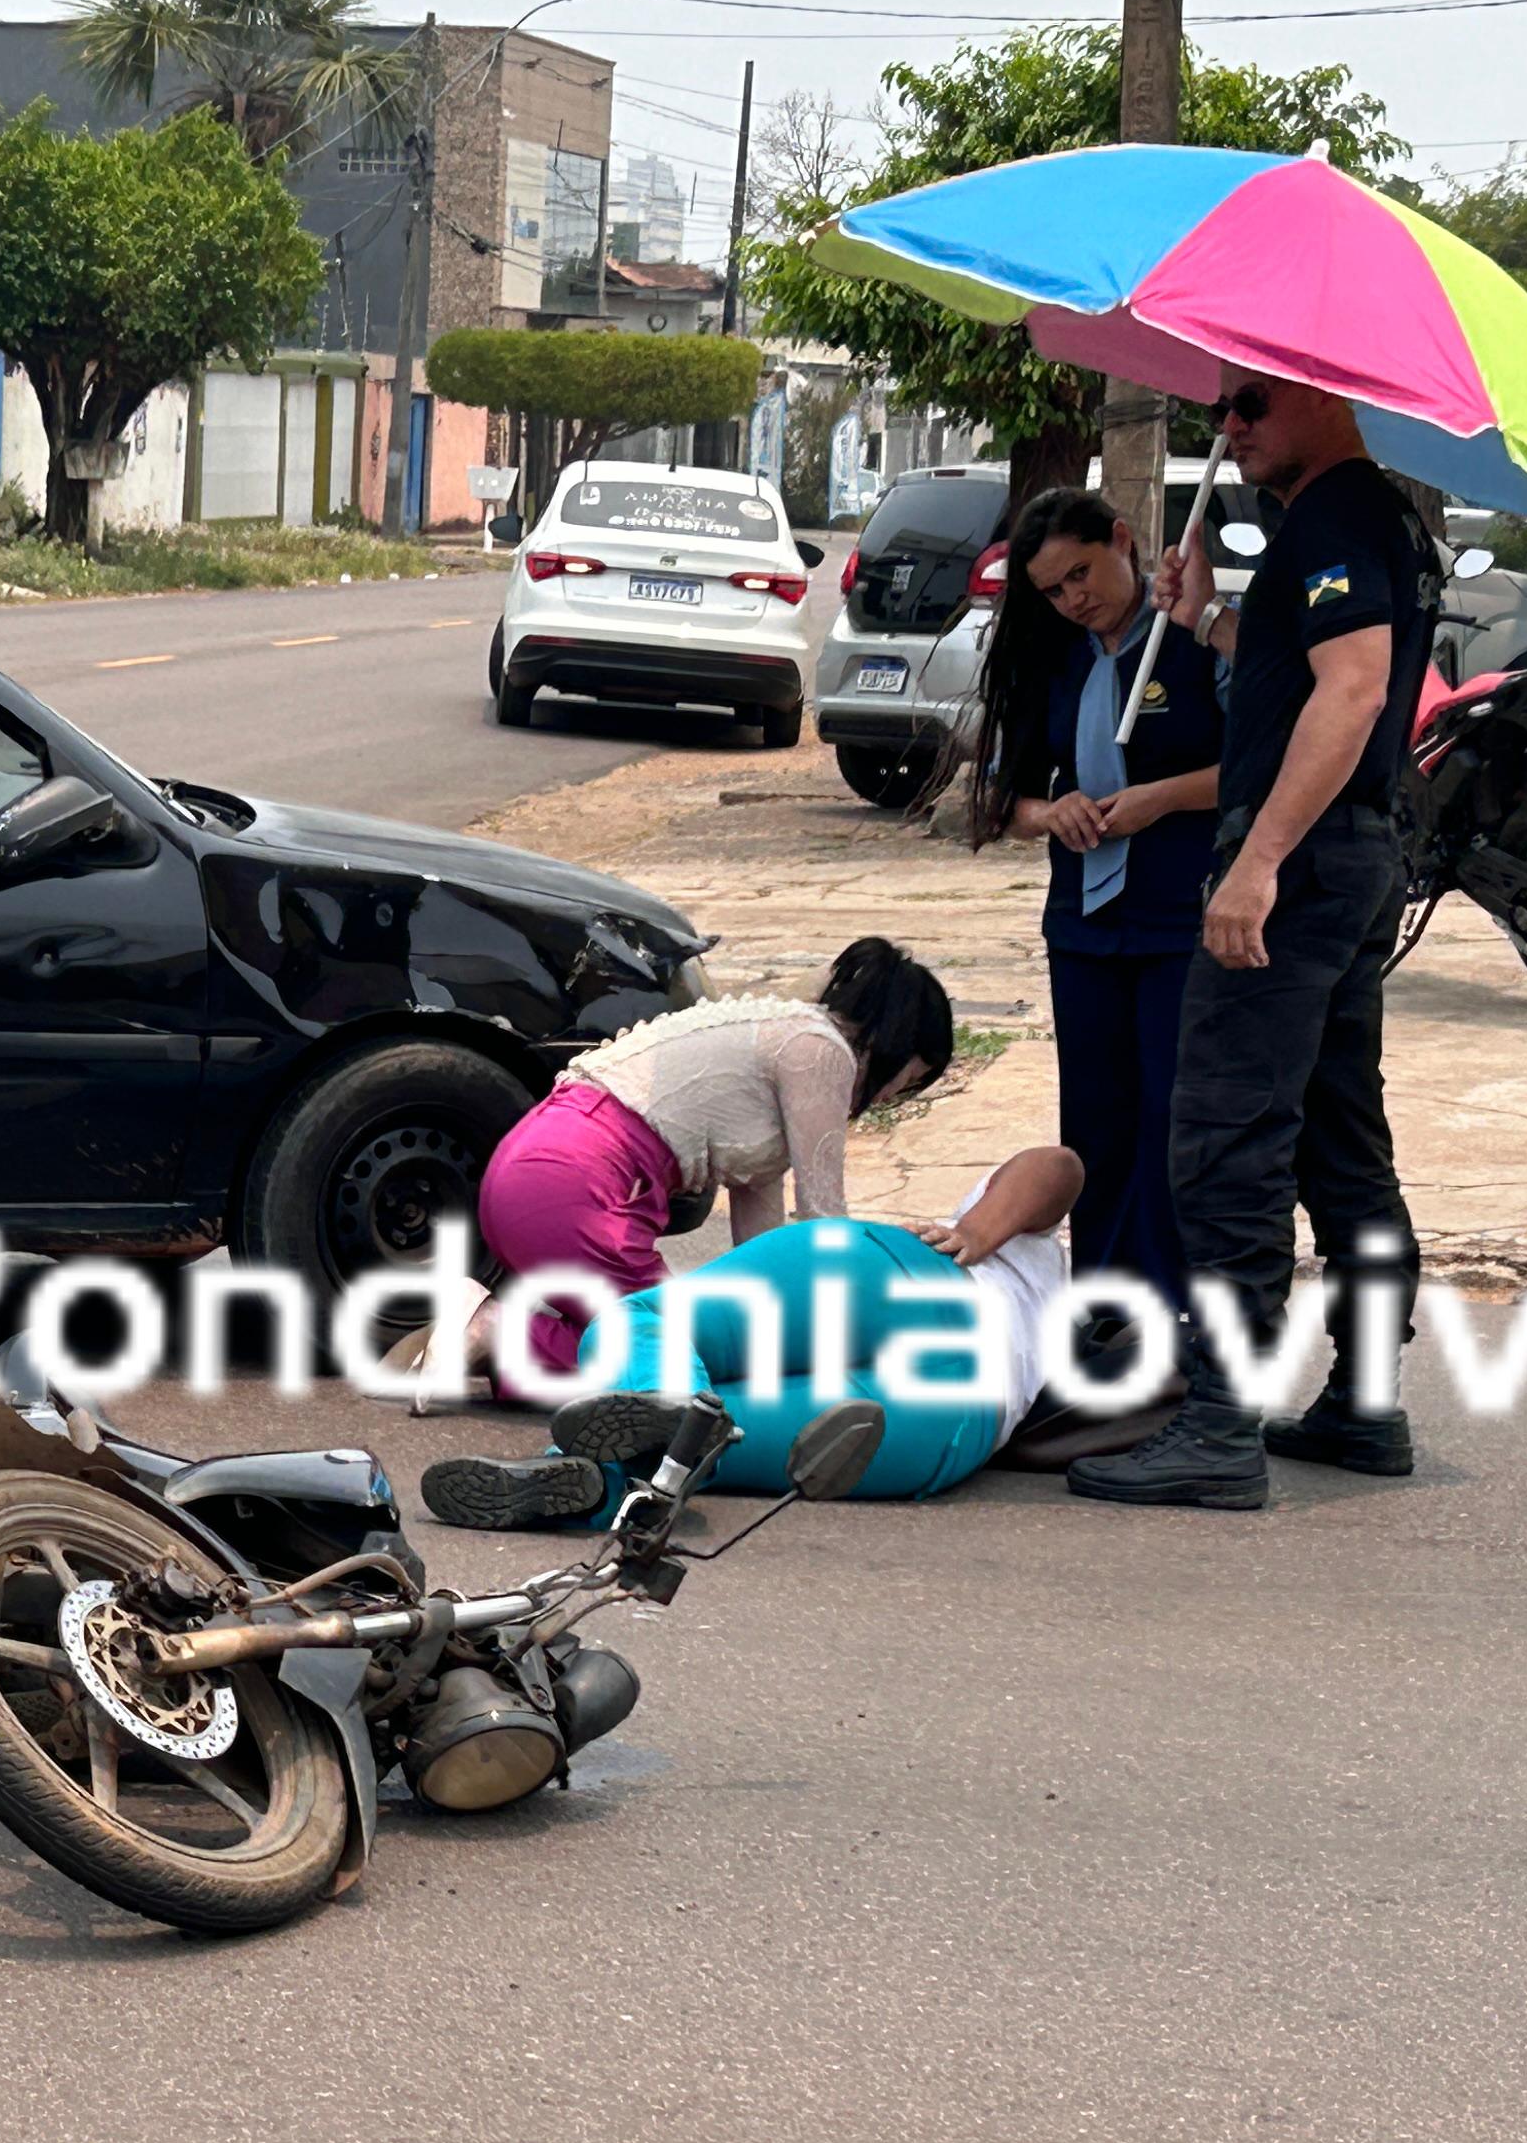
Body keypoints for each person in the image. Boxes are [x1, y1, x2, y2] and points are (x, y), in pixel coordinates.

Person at [1067, 374, 1431, 1512]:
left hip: (1305, 867)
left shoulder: (1336, 515)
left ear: (1327, 398)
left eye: (1254, 405)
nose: (1230, 426)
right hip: (1353, 860)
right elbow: (1302, 669)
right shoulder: (1371, 521)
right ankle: (1364, 1403)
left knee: (1226, 1133)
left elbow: (1354, 689)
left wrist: (1260, 860)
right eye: (1225, 406)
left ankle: (1218, 1423)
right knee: (1336, 1129)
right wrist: (1211, 619)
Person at [420, 1146, 1085, 1526]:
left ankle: (606, 1455)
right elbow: (1059, 1167)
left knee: (637, 1330)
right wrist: (977, 1234)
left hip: (906, 1291)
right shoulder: (1080, 1286)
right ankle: (608, 1466)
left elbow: (1058, 1164)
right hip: (954, 1407)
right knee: (699, 1451)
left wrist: (974, 1233)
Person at [447, 940, 956, 1393]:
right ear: (899, 1043)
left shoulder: (783, 1041)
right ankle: (498, 1329)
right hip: (577, 1184)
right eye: (911, 1078)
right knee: (672, 1361)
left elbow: (759, 1253)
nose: (894, 1095)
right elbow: (824, 1218)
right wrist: (889, 1286)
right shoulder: (822, 1051)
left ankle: (498, 1335)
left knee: (690, 1350)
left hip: (536, 1170)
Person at [964, 488, 1224, 1320]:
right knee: (1096, 1125)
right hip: (1084, 925)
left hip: (1181, 918)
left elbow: (1259, 766)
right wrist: (1053, 811)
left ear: (1123, 541)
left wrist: (1161, 799)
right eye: (1052, 590)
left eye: (1082, 573)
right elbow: (992, 802)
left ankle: (1173, 1310)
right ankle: (1103, 1313)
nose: (1075, 599)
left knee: (1170, 1120)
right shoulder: (1056, 663)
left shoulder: (1193, 643)